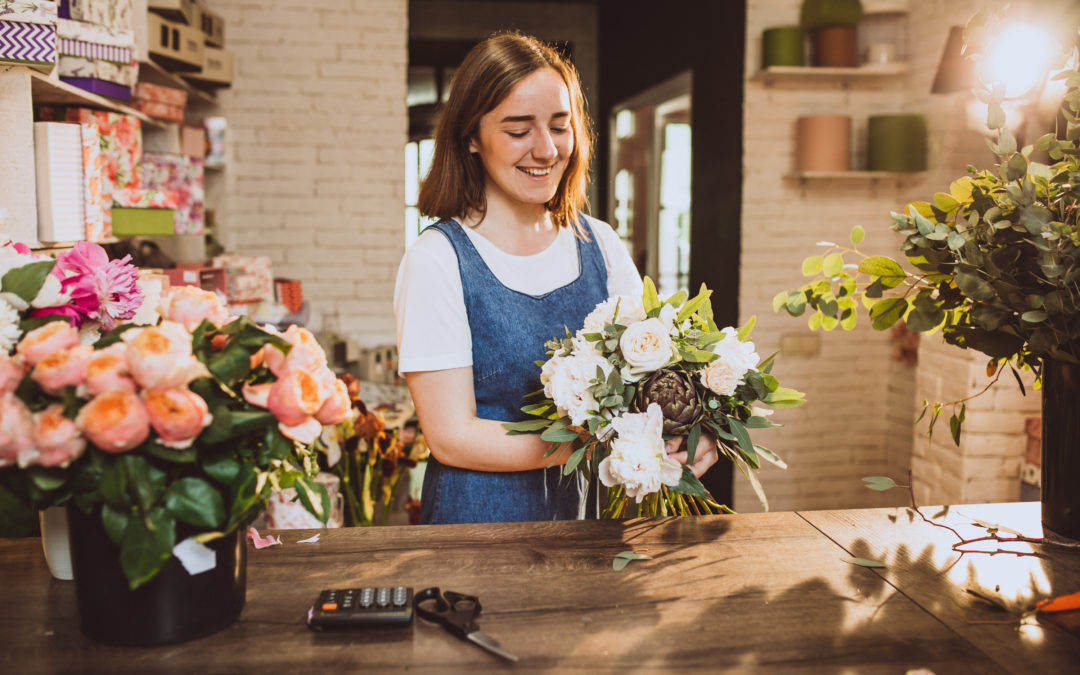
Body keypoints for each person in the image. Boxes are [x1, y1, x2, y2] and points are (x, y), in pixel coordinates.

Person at [393, 32, 717, 525]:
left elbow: (656, 379)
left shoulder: (600, 244)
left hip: (587, 525)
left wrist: (690, 430)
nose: (546, 150)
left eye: (560, 126)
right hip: (476, 531)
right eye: (518, 130)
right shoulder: (437, 259)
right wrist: (600, 440)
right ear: (471, 138)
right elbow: (451, 437)